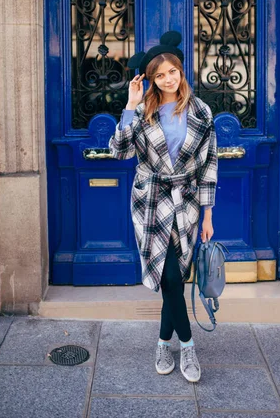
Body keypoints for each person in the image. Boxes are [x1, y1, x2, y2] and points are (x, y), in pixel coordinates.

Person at [108, 31, 218, 383]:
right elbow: (118, 151)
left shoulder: (201, 111)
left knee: (175, 278)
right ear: (151, 79)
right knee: (169, 276)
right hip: (150, 201)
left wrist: (207, 214)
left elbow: (208, 166)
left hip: (185, 202)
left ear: (181, 71)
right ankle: (187, 347)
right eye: (160, 74)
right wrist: (129, 105)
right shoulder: (142, 111)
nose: (168, 79)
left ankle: (161, 342)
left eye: (173, 71)